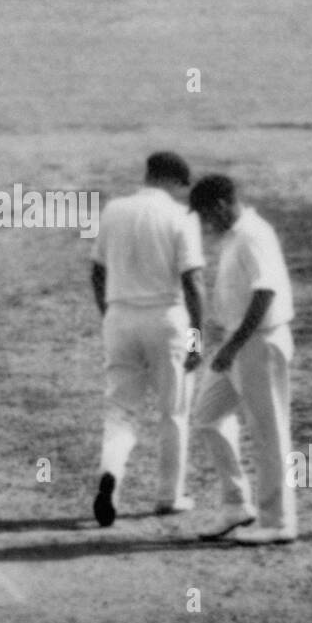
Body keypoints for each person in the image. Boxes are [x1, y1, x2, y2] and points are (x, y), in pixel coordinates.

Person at [90, 152, 204, 526]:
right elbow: (193, 284)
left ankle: (111, 474)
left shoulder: (113, 210)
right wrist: (195, 341)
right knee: (174, 412)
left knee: (121, 411)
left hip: (120, 318)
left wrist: (112, 318)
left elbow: (97, 271)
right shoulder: (181, 217)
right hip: (166, 319)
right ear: (172, 180)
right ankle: (169, 495)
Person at [188, 174, 298, 545]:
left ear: (220, 205)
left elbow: (265, 292)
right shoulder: (236, 236)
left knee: (269, 434)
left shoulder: (253, 234)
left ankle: (279, 522)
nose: (205, 224)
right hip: (238, 342)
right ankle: (236, 504)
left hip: (259, 344)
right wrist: (227, 337)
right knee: (206, 416)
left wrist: (234, 343)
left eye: (205, 215)